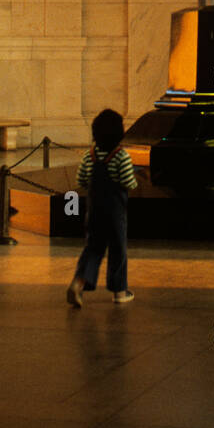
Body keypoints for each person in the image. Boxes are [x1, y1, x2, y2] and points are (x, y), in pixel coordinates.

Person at [66, 108, 138, 306]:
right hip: (115, 213)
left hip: (95, 211)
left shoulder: (90, 156)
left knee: (93, 248)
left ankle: (79, 282)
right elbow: (129, 182)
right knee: (118, 250)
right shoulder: (121, 156)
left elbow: (81, 179)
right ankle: (119, 291)